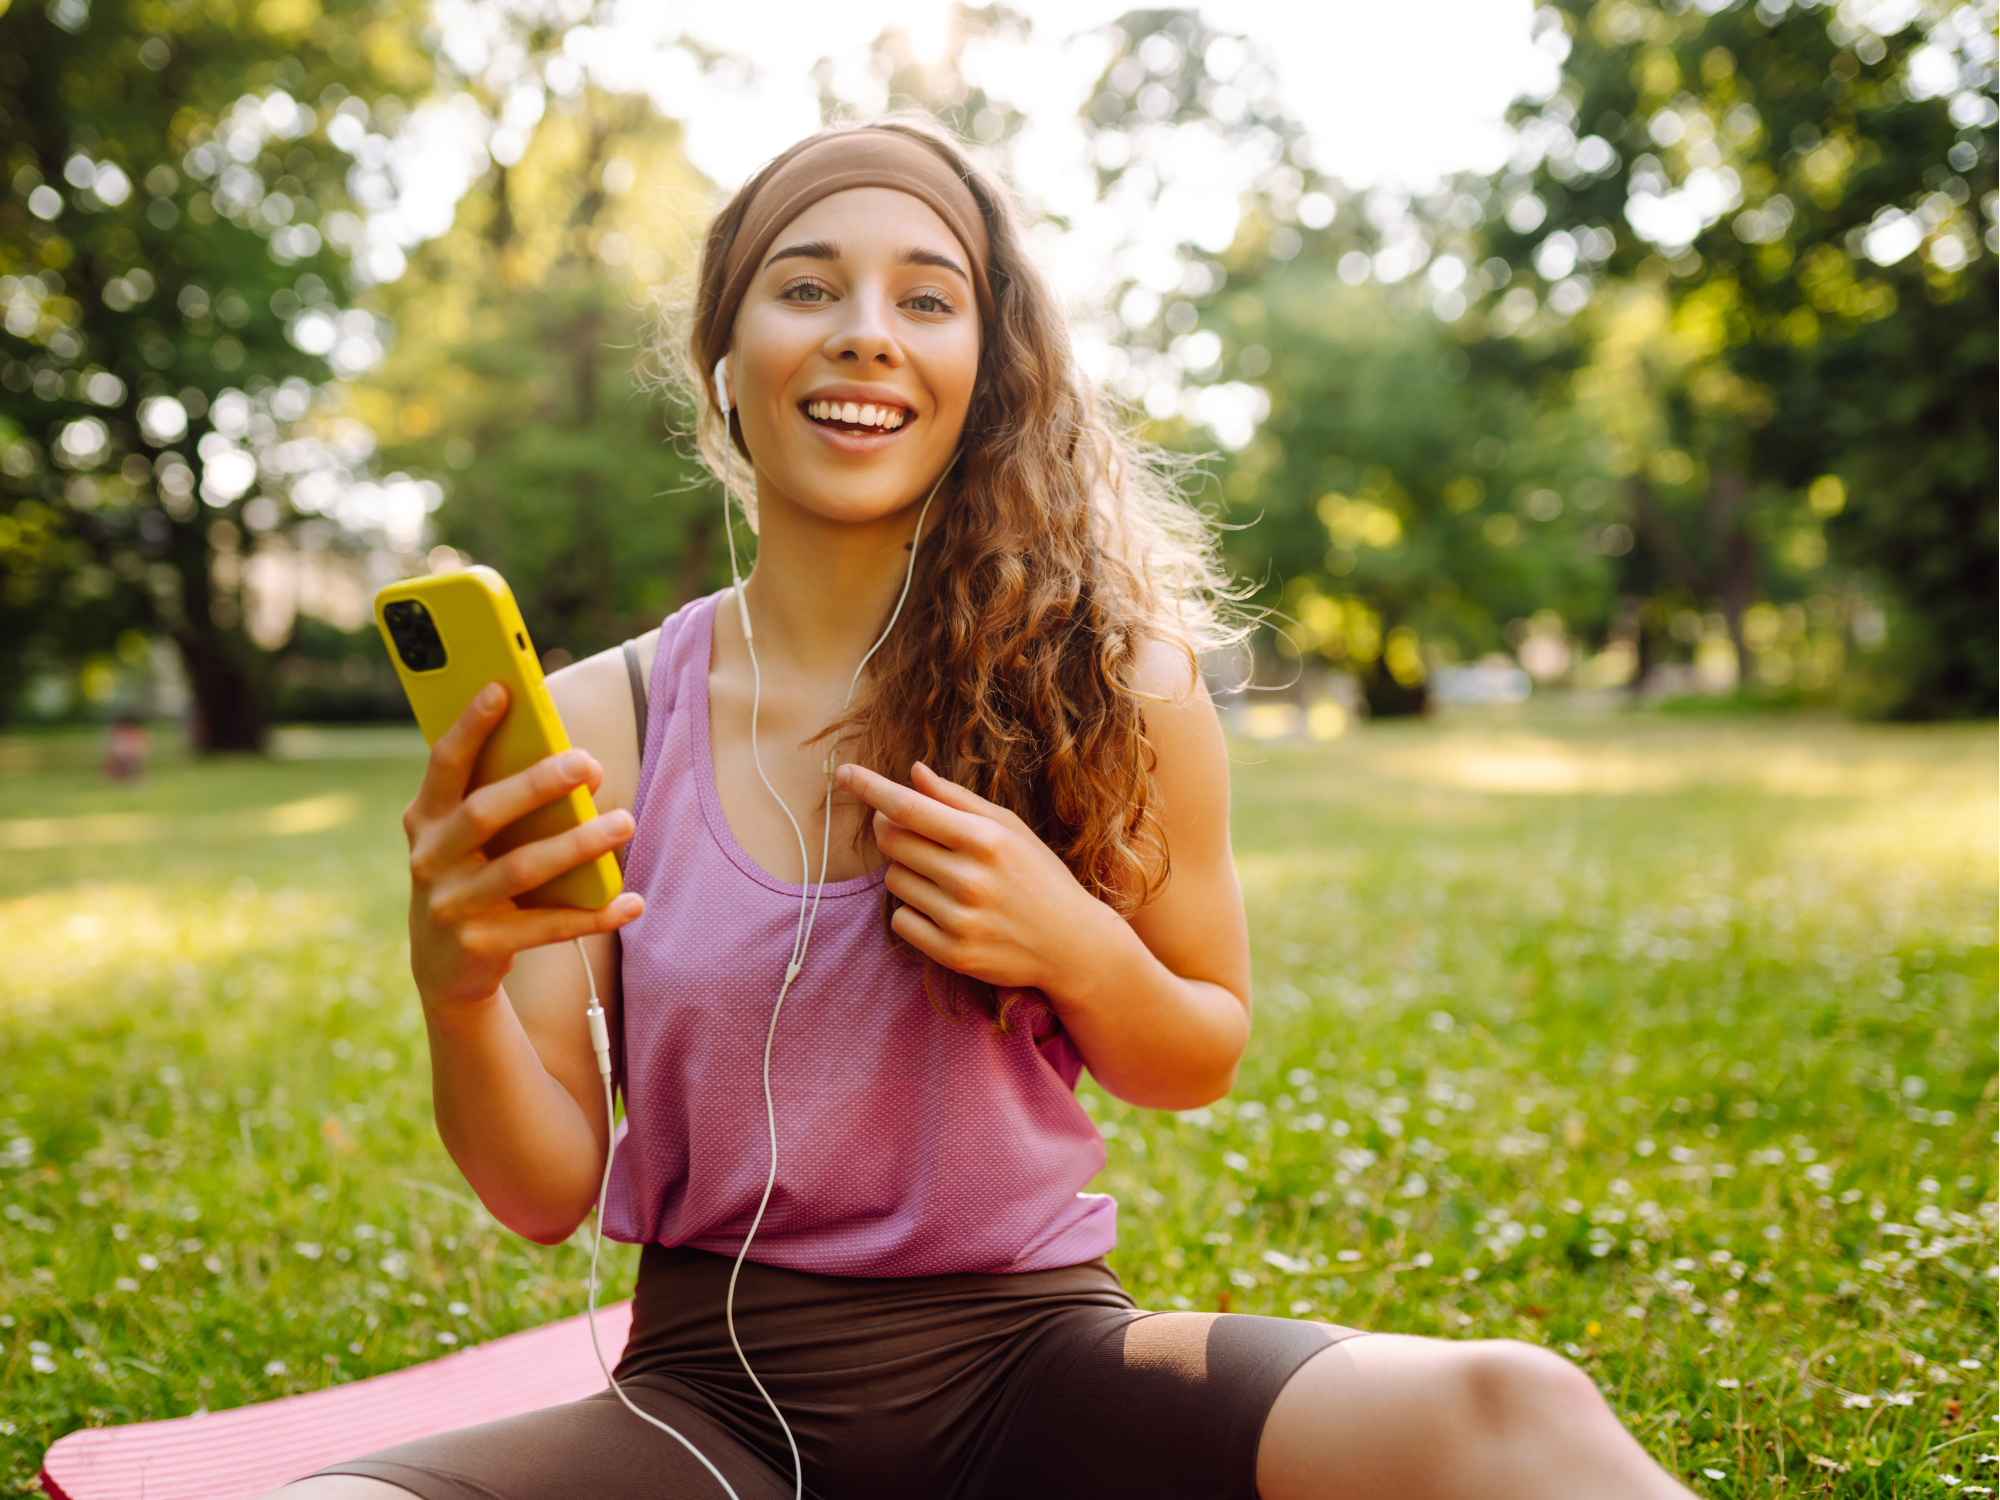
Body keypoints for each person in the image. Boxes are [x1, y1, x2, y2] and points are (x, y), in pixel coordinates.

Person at [275, 119, 1693, 1500]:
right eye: (807, 285)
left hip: (1043, 1374)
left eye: (927, 297)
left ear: (987, 367)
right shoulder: (600, 722)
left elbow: (1198, 1047)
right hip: (707, 1414)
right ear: (725, 355)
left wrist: (1071, 944)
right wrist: (452, 986)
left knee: (1513, 1408)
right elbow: (543, 1192)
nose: (865, 331)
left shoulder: (1118, 683)